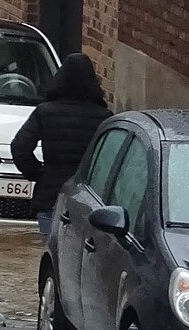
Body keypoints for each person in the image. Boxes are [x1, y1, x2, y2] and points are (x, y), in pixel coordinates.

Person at [9, 54, 112, 244]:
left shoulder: (44, 112)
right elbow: (109, 162)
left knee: (50, 252)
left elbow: (19, 148)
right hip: (87, 201)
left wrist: (39, 174)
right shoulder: (104, 118)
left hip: (51, 196)